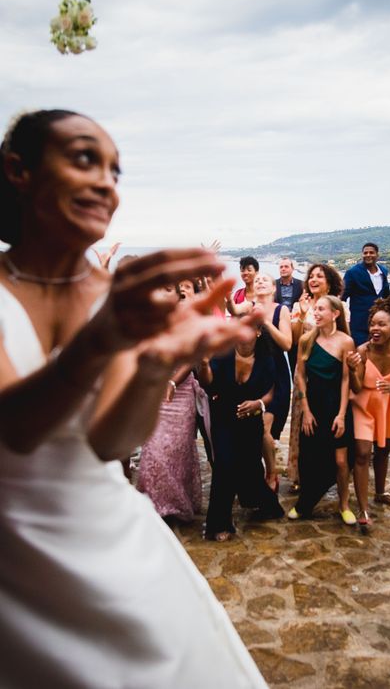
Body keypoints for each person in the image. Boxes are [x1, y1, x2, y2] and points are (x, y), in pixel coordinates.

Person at [0, 109, 267, 686]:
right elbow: (15, 428)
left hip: (109, 528)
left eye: (115, 171)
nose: (105, 183)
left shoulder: (109, 296)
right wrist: (102, 340)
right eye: (83, 159)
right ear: (18, 170)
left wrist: (156, 364)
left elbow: (111, 440)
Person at [197, 329, 283, 541]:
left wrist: (258, 403)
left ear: (258, 332)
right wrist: (206, 364)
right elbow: (207, 382)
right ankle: (219, 523)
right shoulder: (223, 352)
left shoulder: (267, 356)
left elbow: (273, 389)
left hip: (251, 420)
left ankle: (266, 503)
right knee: (224, 465)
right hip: (224, 417)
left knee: (249, 467)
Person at [137, 285, 203, 523]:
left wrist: (173, 382)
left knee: (179, 449)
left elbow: (192, 356)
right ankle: (155, 504)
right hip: (154, 390)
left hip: (181, 392)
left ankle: (177, 504)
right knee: (153, 450)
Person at [287, 295, 356, 524]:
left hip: (336, 407)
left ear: (335, 314)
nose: (315, 313)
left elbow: (346, 381)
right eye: (315, 309)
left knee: (340, 461)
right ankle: (305, 503)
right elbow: (300, 376)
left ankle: (344, 505)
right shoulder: (306, 340)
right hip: (313, 408)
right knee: (309, 459)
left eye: (321, 309)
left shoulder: (346, 341)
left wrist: (342, 415)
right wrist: (305, 411)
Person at [347, 296, 390, 527]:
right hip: (362, 406)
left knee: (383, 451)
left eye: (382, 324)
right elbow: (355, 386)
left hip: (385, 407)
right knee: (363, 454)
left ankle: (380, 493)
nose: (375, 328)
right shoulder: (362, 351)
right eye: (373, 323)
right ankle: (363, 508)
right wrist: (353, 369)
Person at [286, 262, 345, 490]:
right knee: (301, 422)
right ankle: (299, 475)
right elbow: (293, 340)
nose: (314, 279)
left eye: (319, 276)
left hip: (328, 375)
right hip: (305, 371)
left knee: (324, 423)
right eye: (311, 276)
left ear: (329, 281)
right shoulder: (301, 304)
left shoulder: (339, 306)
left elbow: (343, 337)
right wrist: (301, 314)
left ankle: (324, 472)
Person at [253, 272, 292, 491]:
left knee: (264, 428)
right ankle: (259, 471)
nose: (259, 282)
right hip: (253, 372)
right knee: (254, 428)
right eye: (256, 280)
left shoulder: (281, 310)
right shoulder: (248, 308)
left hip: (275, 373)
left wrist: (266, 322)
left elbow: (287, 344)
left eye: (264, 280)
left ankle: (271, 473)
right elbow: (230, 310)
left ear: (273, 287)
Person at [342, 242, 390, 346]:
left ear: (377, 255)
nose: (368, 255)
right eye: (365, 253)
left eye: (371, 252)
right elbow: (342, 297)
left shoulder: (384, 271)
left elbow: (387, 296)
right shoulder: (353, 273)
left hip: (378, 326)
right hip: (358, 326)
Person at [274, 256, 303, 374]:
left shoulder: (302, 285)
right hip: (278, 326)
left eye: (286, 266)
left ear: (292, 268)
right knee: (276, 362)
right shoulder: (273, 285)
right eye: (281, 267)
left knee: (295, 363)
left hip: (296, 327)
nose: (283, 269)